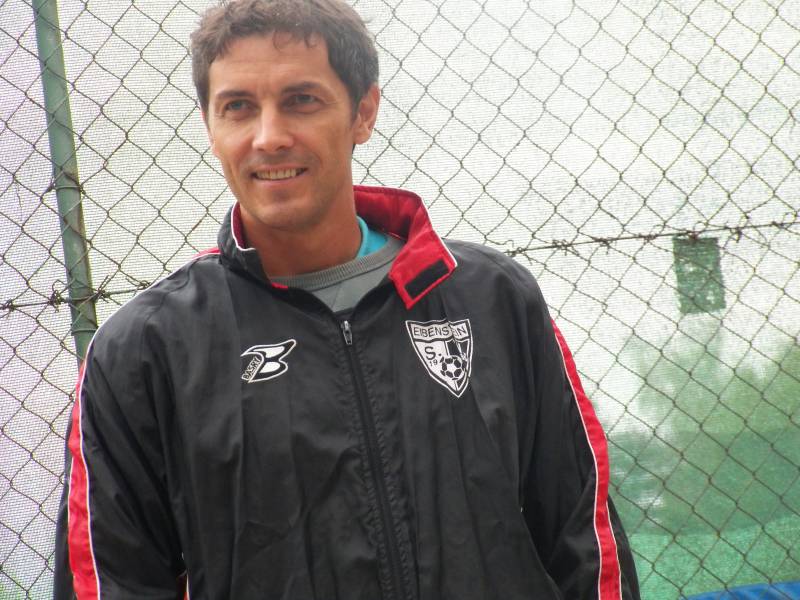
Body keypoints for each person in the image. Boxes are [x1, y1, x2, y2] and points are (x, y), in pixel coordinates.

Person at [56, 0, 640, 598]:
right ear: (210, 126)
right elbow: (113, 579)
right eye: (238, 107)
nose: (269, 137)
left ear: (364, 112)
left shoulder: (494, 298)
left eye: (301, 100)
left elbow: (583, 540)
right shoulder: (144, 350)